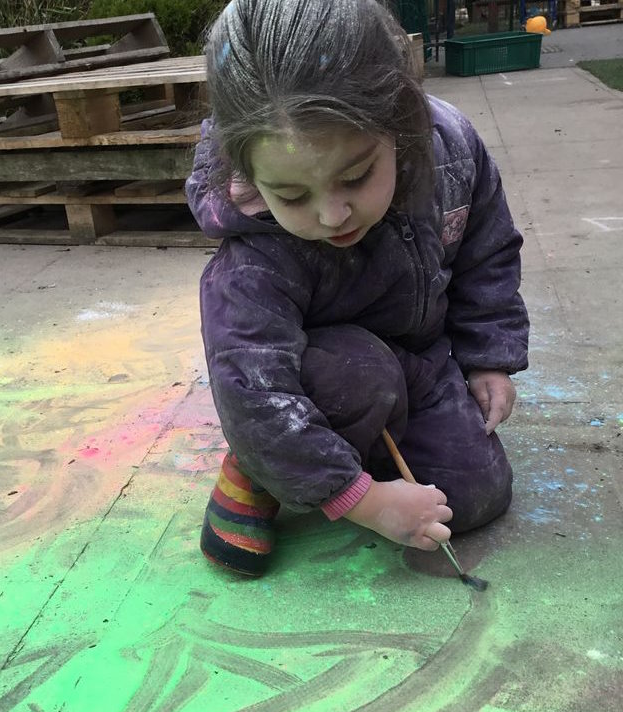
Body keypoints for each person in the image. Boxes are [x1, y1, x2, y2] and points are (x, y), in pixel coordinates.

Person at [186, 0, 529, 577]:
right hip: (328, 374)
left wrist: (487, 357)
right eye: (292, 196)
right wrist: (361, 500)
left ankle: (329, 451)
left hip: (421, 360)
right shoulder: (255, 254)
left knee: (473, 497)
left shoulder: (450, 150)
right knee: (353, 376)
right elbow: (251, 383)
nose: (331, 213)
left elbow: (486, 252)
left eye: (356, 176)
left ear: (399, 121)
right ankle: (256, 469)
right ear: (245, 171)